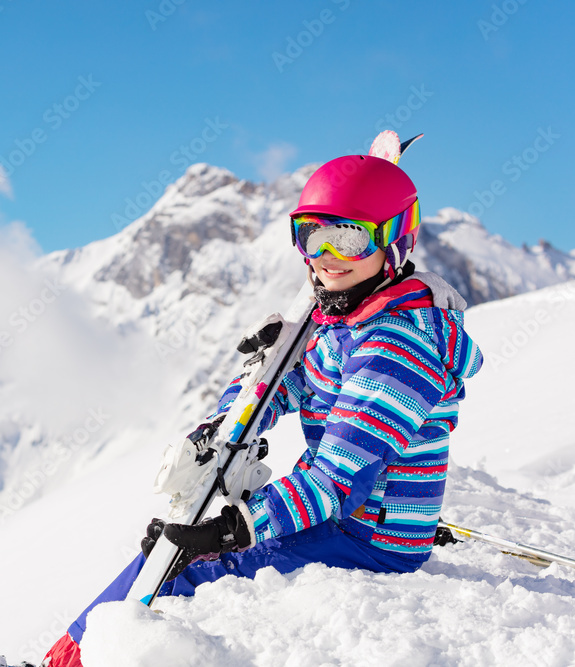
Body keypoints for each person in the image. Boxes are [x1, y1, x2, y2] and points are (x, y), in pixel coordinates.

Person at [43, 151, 483, 667]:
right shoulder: (352, 322)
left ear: (394, 240)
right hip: (343, 520)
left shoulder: (397, 348)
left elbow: (333, 485)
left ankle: (68, 660)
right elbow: (283, 390)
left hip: (369, 538)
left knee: (177, 572)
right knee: (159, 559)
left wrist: (228, 530)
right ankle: (65, 654)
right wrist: (254, 381)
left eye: (349, 238)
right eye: (311, 235)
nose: (325, 256)